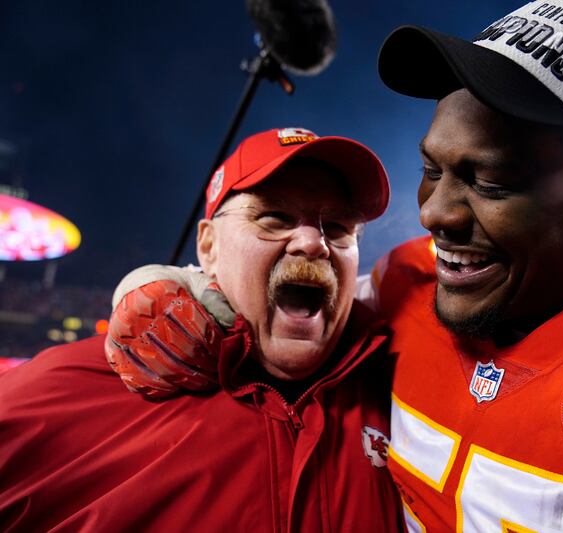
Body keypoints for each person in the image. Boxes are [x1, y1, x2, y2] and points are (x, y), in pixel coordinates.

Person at [97, 0, 563, 531]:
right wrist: (168, 286)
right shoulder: (409, 286)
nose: (436, 213)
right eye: (431, 169)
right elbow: (274, 290)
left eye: (490, 182)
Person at [0, 127, 403, 531]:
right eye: (275, 218)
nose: (314, 243)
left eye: (337, 228)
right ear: (208, 247)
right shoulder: (80, 388)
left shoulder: (401, 384)